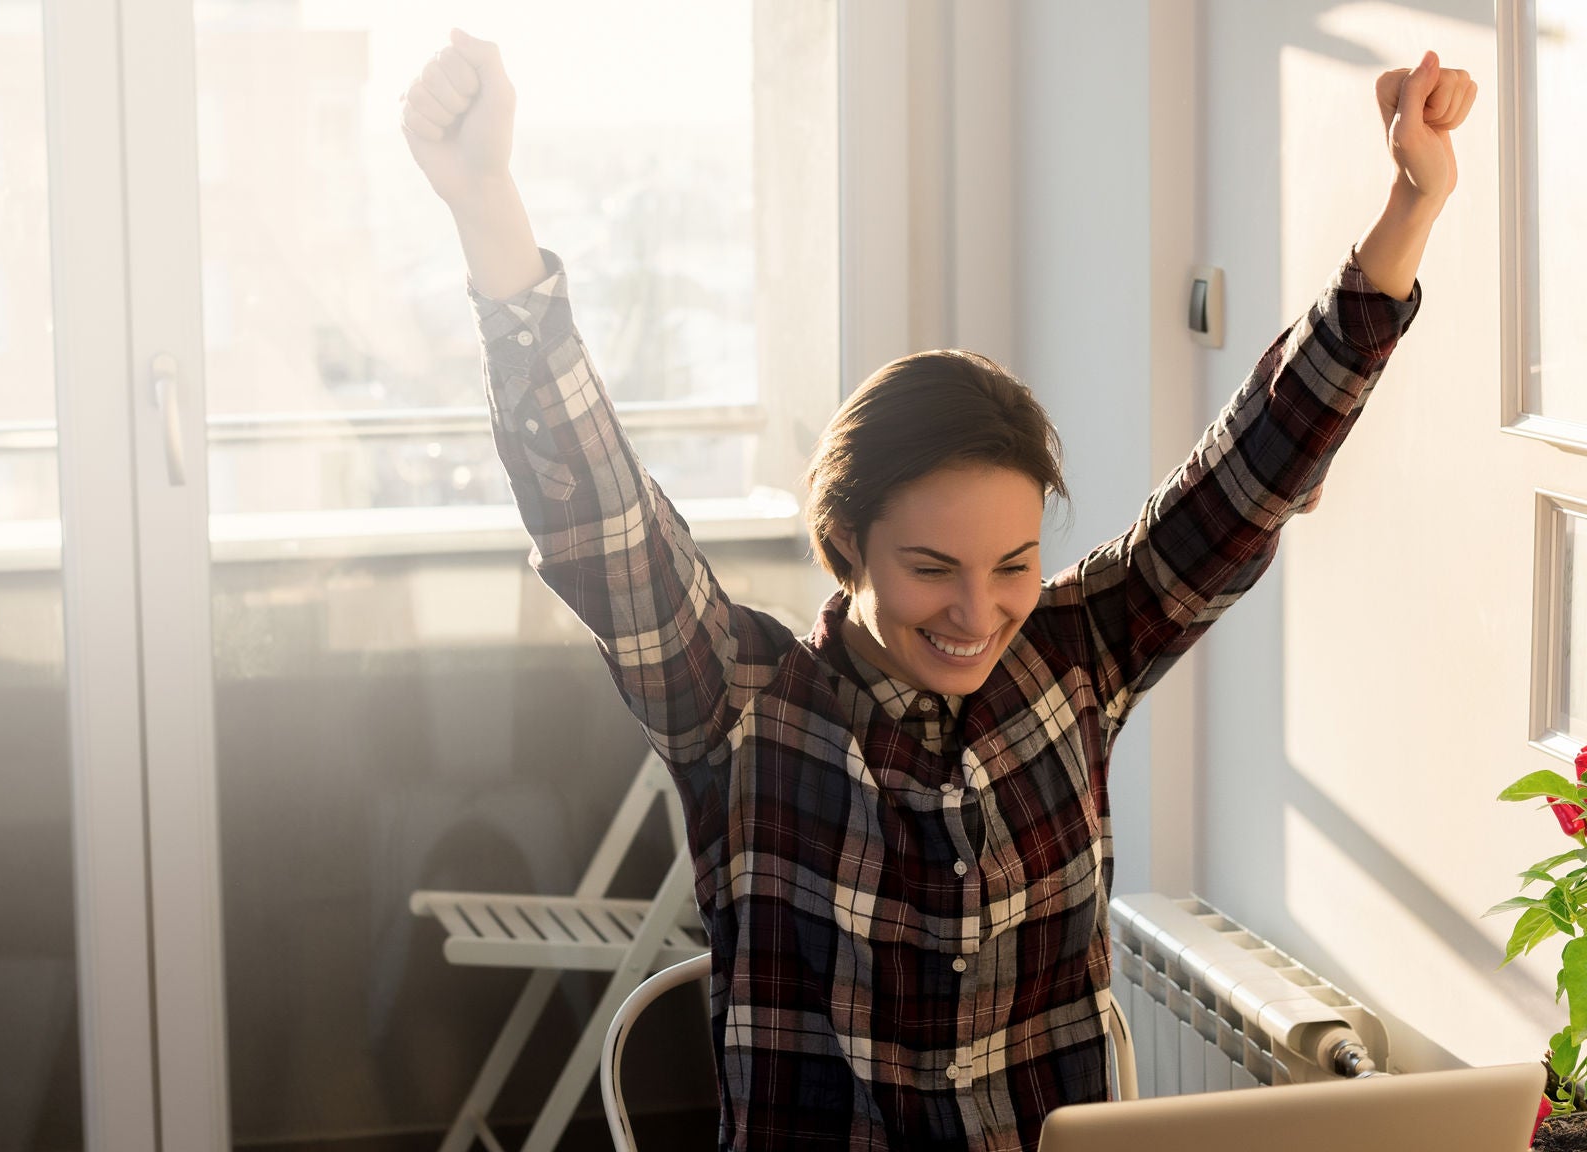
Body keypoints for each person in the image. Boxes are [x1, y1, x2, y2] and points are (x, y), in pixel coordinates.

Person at [401, 27, 1473, 1152]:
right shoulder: (743, 704)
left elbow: (1250, 471)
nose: (977, 615)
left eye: (1012, 566)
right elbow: (596, 516)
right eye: (930, 571)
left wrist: (1409, 203)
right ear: (849, 542)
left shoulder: (1075, 656)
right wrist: (486, 204)